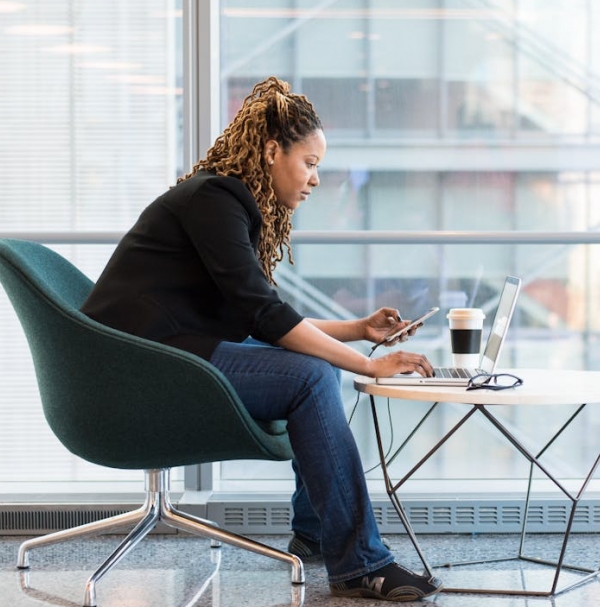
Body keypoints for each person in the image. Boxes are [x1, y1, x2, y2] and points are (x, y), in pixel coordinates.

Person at [80, 76, 442, 601]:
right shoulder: (216, 198)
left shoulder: (221, 201)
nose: (316, 179)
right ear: (273, 151)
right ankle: (361, 563)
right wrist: (367, 363)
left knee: (316, 365)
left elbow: (263, 315)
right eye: (310, 163)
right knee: (314, 373)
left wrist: (358, 332)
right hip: (137, 367)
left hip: (160, 353)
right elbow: (266, 315)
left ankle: (317, 535)